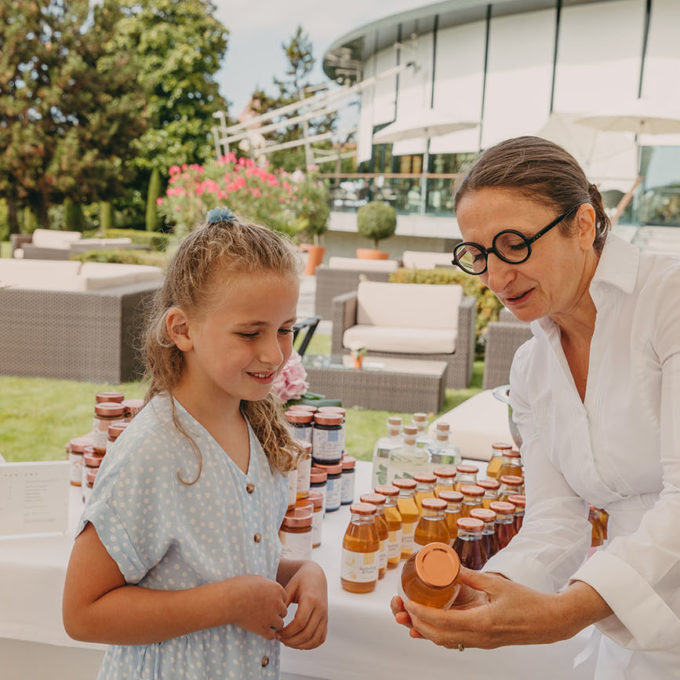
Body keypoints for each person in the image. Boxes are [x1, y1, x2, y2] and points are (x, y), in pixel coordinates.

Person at [391, 136, 680, 678]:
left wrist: (567, 612)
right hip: (633, 633)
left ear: (585, 226)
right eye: (478, 254)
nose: (496, 278)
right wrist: (487, 591)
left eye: (514, 244)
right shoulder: (531, 369)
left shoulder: (669, 303)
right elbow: (555, 521)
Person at [63, 208, 328, 679]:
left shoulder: (256, 427)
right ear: (182, 330)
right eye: (250, 333)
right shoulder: (152, 452)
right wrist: (227, 604)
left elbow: (229, 562)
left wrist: (302, 574)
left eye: (286, 329)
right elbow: (82, 612)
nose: (275, 354)